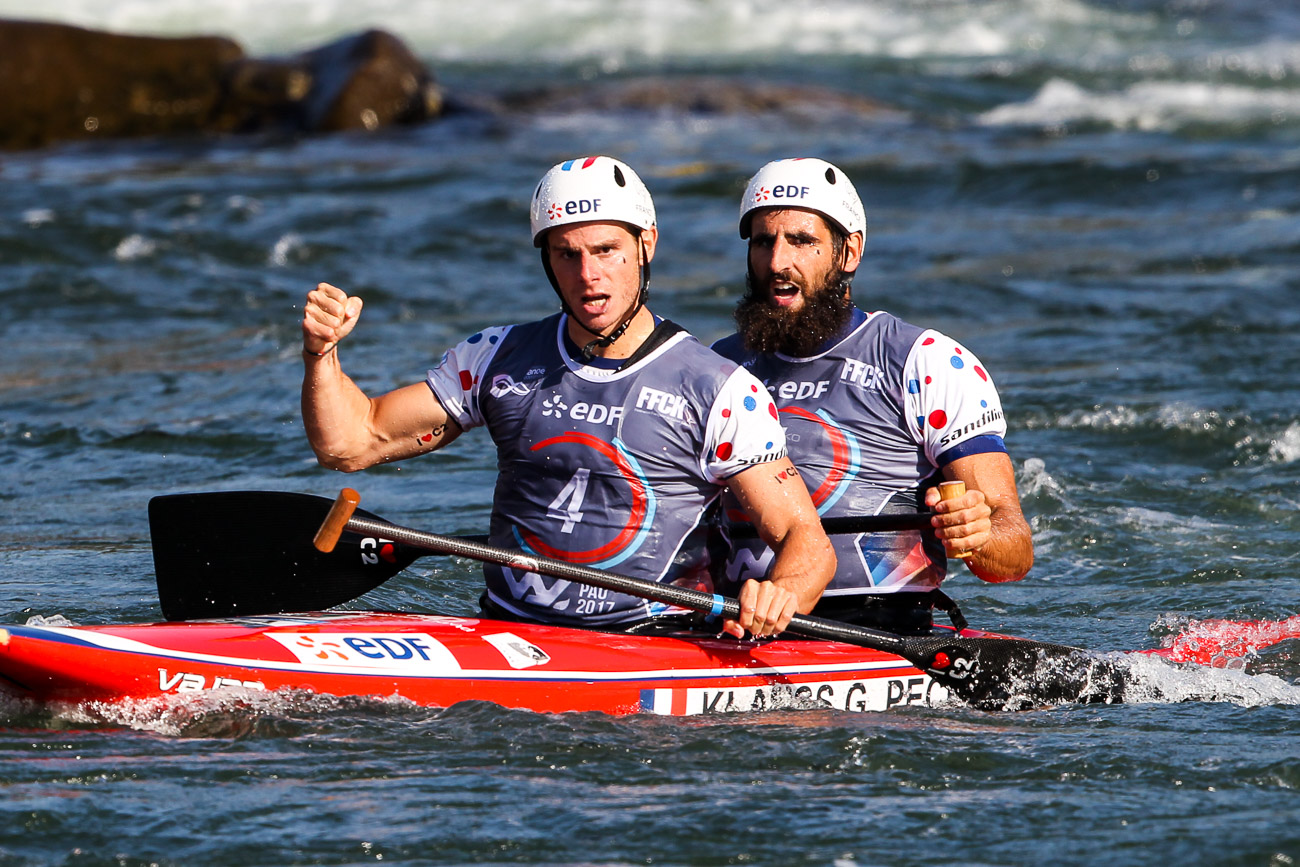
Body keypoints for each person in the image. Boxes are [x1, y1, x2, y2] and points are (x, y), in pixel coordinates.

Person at [301, 155, 835, 638]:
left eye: (607, 250)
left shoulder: (718, 389)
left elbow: (805, 543)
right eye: (567, 254)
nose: (588, 276)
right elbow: (350, 444)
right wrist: (321, 354)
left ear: (647, 243)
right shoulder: (495, 357)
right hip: (508, 632)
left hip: (650, 643)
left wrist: (778, 594)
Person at [711, 157, 1033, 635]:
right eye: (763, 241)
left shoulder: (926, 362)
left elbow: (1014, 554)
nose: (778, 262)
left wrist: (978, 532)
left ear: (849, 252)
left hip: (881, 629)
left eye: (802, 241)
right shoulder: (715, 369)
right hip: (741, 622)